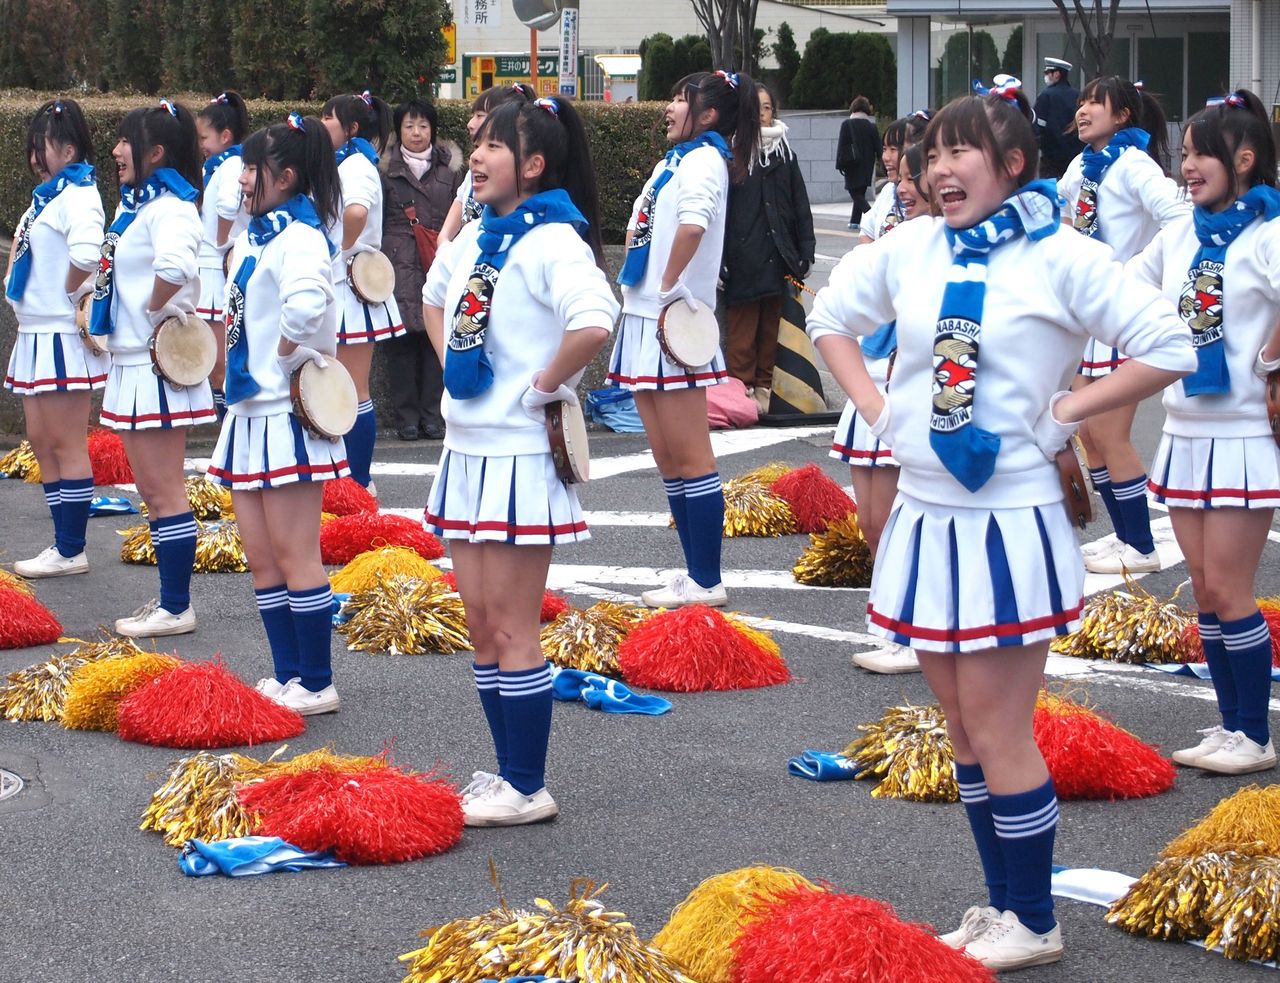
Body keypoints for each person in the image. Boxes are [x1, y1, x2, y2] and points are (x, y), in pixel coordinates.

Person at [808, 83, 1194, 971]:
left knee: (998, 725)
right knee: (960, 726)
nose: (939, 171)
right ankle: (1002, 906)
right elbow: (831, 316)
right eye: (932, 154)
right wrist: (874, 408)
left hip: (1009, 518)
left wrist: (1068, 408)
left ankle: (1032, 916)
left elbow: (1169, 342)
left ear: (1014, 163)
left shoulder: (1060, 255)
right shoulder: (910, 247)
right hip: (928, 513)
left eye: (960, 153)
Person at [421, 96, 619, 825]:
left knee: (512, 625)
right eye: (476, 142)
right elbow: (433, 300)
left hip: (516, 457)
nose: (475, 155)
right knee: (479, 621)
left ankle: (527, 783)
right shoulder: (478, 233)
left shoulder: (554, 241)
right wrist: (454, 368)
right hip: (468, 447)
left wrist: (542, 386)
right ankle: (506, 775)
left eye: (493, 146)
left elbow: (596, 319)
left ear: (533, 166)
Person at [1134, 89, 1280, 775]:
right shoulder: (1181, 231)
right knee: (1202, 585)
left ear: (1243, 159)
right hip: (1185, 427)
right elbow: (1124, 287)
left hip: (1246, 431)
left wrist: (1274, 357)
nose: (1186, 165)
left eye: (1198, 153)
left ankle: (1254, 734)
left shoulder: (1270, 231)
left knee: (1228, 587)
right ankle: (1230, 726)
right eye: (1183, 153)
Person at [207, 113, 347, 715]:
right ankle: (287, 672)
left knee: (295, 553)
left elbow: (309, 304)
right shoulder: (257, 235)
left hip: (283, 417)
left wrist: (285, 357)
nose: (242, 179)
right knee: (262, 555)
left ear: (285, 176)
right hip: (248, 413)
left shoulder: (302, 237)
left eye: (253, 169)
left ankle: (317, 680)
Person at [607, 70, 761, 609]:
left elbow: (693, 227)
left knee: (691, 456)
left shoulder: (703, 161)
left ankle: (707, 578)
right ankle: (695, 573)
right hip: (648, 316)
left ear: (710, 114)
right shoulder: (674, 161)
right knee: (669, 456)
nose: (670, 107)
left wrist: (669, 286)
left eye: (680, 98)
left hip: (674, 324)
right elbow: (638, 227)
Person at [89, 99, 212, 638]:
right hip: (133, 362)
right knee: (154, 489)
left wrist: (150, 311)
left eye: (125, 141)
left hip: (154, 366)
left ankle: (176, 606)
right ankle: (169, 601)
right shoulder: (137, 204)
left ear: (155, 151)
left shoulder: (172, 208)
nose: (116, 151)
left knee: (163, 491)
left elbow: (177, 265)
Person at [1059, 76, 1188, 574]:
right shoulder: (1078, 165)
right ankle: (1123, 536)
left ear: (1124, 116)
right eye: (1083, 101)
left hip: (1122, 313)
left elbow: (1178, 219)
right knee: (1088, 433)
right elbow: (1070, 222)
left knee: (1111, 435)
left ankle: (1141, 544)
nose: (1084, 109)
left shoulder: (1135, 165)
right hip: (1087, 315)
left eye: (1095, 101)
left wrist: (1140, 272)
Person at [831, 143, 930, 675]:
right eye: (901, 174)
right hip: (870, 380)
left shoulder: (943, 245)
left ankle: (913, 629)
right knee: (872, 518)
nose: (904, 184)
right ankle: (893, 622)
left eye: (915, 175)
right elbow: (836, 303)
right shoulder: (900, 233)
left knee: (901, 517)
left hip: (906, 389)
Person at [4, 99, 107, 578]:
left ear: (67, 148)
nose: (33, 157)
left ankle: (71, 548)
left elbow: (89, 255)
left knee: (66, 443)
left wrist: (68, 294)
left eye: (40, 147)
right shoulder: (45, 196)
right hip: (34, 333)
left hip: (61, 334)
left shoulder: (80, 194)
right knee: (41, 442)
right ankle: (62, 544)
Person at [321, 90, 402, 493]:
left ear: (352, 128)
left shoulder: (356, 165)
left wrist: (332, 249)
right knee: (342, 386)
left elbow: (356, 212)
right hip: (344, 283)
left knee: (354, 387)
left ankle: (358, 480)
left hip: (351, 285)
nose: (322, 126)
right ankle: (347, 477)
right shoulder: (344, 162)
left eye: (328, 119)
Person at [721, 81, 815, 415]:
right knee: (742, 330)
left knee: (772, 329)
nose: (763, 114)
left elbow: (800, 204)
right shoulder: (732, 152)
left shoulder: (784, 152)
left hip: (779, 255)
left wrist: (806, 247)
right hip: (742, 256)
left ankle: (765, 388)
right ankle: (740, 390)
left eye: (767, 107)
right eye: (756, 107)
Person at [380, 98, 464, 441]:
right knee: (401, 344)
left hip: (439, 259)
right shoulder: (384, 170)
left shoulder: (451, 170)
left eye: (423, 126)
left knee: (436, 340)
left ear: (434, 129)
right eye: (409, 126)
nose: (416, 133)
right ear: (398, 131)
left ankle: (433, 416)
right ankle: (406, 418)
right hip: (396, 263)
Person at [194, 91, 249, 418]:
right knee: (213, 360)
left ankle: (230, 427)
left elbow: (229, 205)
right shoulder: (219, 165)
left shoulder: (230, 163)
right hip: (210, 267)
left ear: (225, 136)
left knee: (219, 362)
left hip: (217, 269)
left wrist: (220, 242)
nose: (199, 143)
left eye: (204, 136)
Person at [438, 84, 535, 245]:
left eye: (479, 115)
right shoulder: (475, 168)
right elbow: (461, 199)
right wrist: (443, 239)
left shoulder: (547, 237)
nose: (470, 123)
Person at [859, 111, 930, 246]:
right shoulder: (889, 190)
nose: (885, 157)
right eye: (884, 149)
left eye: (893, 149)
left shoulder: (932, 199)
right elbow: (866, 232)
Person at [836, 96, 880, 232]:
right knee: (859, 191)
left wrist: (839, 164)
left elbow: (841, 146)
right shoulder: (871, 127)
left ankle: (872, 216)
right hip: (867, 166)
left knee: (854, 192)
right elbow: (878, 148)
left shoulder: (846, 124)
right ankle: (854, 221)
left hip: (851, 164)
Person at [1034, 56, 1083, 179]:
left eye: (1047, 73)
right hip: (1075, 158)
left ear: (1056, 74)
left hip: (1051, 159)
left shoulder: (1046, 95)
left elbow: (1037, 127)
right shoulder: (1078, 95)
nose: (1045, 76)